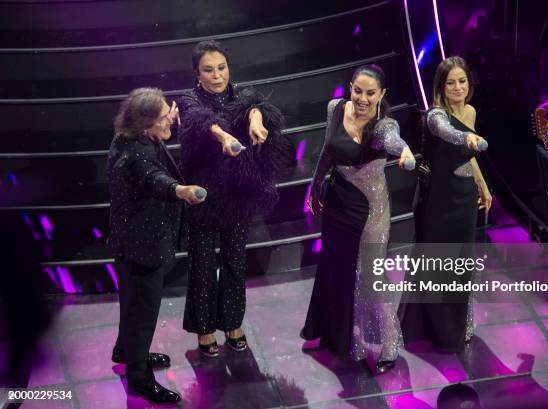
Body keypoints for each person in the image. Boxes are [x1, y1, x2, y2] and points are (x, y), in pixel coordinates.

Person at [179, 40, 292, 357]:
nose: (217, 76)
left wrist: (256, 118)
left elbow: (254, 106)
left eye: (221, 68)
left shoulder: (242, 95)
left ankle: (232, 322)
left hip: (237, 192)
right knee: (202, 264)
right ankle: (203, 328)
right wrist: (225, 136)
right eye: (208, 70)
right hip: (203, 192)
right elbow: (202, 120)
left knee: (235, 260)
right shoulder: (188, 99)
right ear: (196, 74)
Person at [300, 64, 416, 373]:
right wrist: (315, 185)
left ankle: (389, 344)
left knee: (370, 280)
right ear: (350, 87)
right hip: (337, 204)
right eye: (358, 90)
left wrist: (405, 153)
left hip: (370, 213)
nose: (363, 99)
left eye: (370, 93)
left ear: (382, 94)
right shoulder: (336, 108)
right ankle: (335, 334)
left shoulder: (383, 126)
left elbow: (394, 142)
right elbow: (328, 149)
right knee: (335, 271)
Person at [107, 87, 206, 404]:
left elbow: (152, 161)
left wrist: (166, 117)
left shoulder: (129, 137)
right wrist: (181, 190)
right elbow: (154, 179)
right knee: (143, 311)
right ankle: (138, 378)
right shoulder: (137, 156)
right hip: (141, 245)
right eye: (165, 118)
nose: (171, 122)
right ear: (145, 123)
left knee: (132, 305)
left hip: (129, 240)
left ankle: (126, 351)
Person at [399, 56, 492, 353]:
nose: (457, 88)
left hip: (463, 196)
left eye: (462, 81)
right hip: (437, 199)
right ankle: (435, 327)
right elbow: (450, 134)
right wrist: (466, 136)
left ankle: (461, 323)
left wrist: (483, 186)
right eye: (451, 83)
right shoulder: (435, 116)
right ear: (440, 86)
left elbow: (470, 155)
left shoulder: (471, 111)